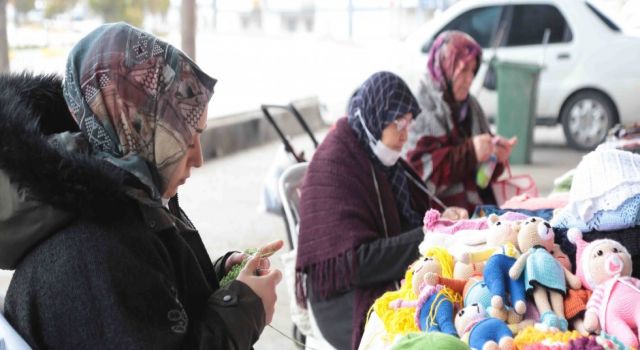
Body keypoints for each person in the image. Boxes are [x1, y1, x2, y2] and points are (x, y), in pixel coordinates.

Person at [0, 23, 282, 349]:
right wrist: (245, 309)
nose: (199, 158)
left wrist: (220, 281)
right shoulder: (95, 252)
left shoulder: (125, 197)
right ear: (138, 129)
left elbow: (151, 306)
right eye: (185, 139)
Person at [295, 71, 466, 350]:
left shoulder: (385, 160)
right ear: (375, 118)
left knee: (454, 297)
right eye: (398, 124)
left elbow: (421, 213)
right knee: (432, 316)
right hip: (343, 301)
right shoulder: (335, 165)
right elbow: (356, 262)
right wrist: (428, 234)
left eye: (408, 124)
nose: (405, 135)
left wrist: (444, 222)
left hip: (384, 275)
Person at [404, 30, 516, 214]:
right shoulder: (420, 109)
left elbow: (482, 180)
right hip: (438, 218)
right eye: (463, 70)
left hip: (476, 213)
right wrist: (471, 152)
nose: (470, 79)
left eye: (473, 71)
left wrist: (495, 156)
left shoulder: (472, 107)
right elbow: (419, 177)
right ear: (444, 67)